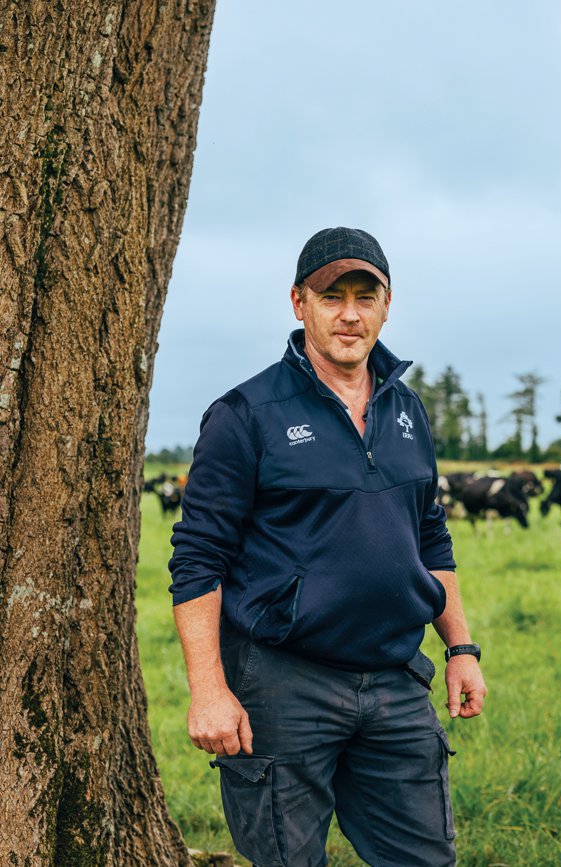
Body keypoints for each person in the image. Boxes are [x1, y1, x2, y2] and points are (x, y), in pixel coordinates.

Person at [168, 226, 486, 866]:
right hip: (284, 683)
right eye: (331, 295)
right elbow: (198, 557)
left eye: (364, 297)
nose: (349, 314)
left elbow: (429, 534)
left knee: (426, 859)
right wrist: (208, 688)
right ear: (298, 303)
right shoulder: (246, 413)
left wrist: (460, 647)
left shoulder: (407, 411)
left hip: (395, 679)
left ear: (386, 305)